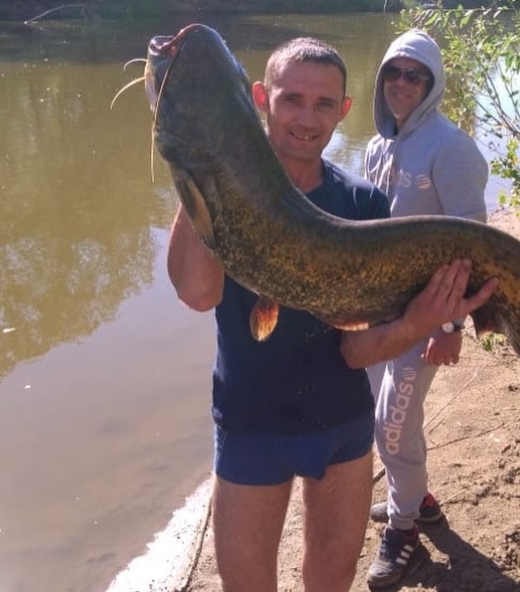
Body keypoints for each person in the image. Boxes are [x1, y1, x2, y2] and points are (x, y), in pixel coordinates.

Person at [166, 36, 499, 592]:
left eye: (324, 105)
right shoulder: (224, 189)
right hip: (251, 421)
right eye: (292, 99)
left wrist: (421, 323)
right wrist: (209, 162)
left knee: (333, 577)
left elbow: (356, 349)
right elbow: (198, 294)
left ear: (344, 111)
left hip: (342, 424)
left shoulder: (363, 204)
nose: (306, 118)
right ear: (259, 99)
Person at [363, 29, 490, 588]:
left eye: (415, 75)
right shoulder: (375, 146)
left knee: (393, 424)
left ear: (433, 83)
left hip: (430, 315)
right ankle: (415, 498)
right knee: (388, 419)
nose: (402, 83)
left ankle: (405, 533)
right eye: (394, 71)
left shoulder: (452, 148)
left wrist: (452, 324)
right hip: (378, 314)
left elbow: (476, 246)